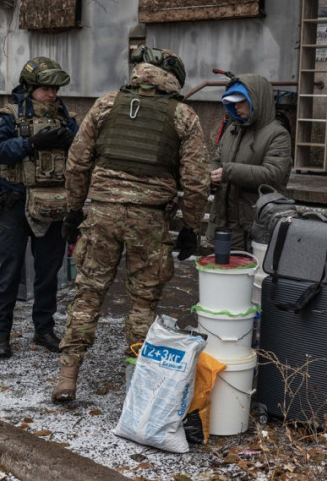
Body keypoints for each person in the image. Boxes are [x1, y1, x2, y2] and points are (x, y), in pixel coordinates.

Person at [52, 46, 210, 402]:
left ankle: (67, 377)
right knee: (143, 302)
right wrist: (191, 226)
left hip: (103, 213)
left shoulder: (107, 104)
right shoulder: (183, 115)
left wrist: (74, 210)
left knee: (88, 294)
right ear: (174, 79)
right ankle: (136, 384)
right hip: (150, 219)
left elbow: (77, 162)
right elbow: (197, 180)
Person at [0, 57, 78, 359]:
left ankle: (44, 329)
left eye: (54, 89)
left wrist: (72, 141)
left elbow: (83, 158)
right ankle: (1, 334)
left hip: (55, 206)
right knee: (9, 272)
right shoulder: (9, 116)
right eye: (44, 89)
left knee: (48, 272)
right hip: (16, 204)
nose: (51, 94)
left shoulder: (67, 118)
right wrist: (31, 143)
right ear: (30, 88)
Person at [206, 74, 292, 251]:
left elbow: (273, 174)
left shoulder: (278, 135)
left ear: (257, 100)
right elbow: (217, 160)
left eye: (241, 101)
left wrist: (228, 172)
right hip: (222, 221)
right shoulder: (233, 129)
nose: (236, 107)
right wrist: (212, 173)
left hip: (252, 224)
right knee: (221, 273)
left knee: (248, 275)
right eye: (232, 102)